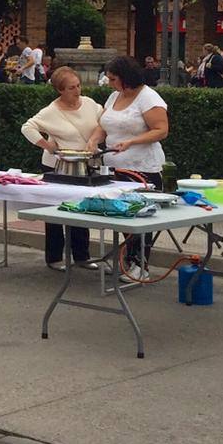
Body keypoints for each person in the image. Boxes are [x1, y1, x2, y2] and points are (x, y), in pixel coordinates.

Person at [91, 54, 171, 277]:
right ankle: (124, 259)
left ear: (126, 77)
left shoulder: (148, 97)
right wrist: (93, 140)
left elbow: (161, 130)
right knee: (120, 216)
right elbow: (103, 125)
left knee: (139, 216)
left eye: (113, 79)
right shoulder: (114, 97)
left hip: (142, 167)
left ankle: (139, 264)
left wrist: (132, 141)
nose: (110, 83)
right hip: (115, 167)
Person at [22, 66, 105, 269]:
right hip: (59, 165)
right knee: (56, 211)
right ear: (60, 90)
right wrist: (48, 146)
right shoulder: (50, 111)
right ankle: (54, 257)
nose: (77, 91)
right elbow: (27, 127)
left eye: (78, 86)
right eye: (71, 88)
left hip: (86, 164)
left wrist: (95, 141)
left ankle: (82, 255)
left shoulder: (90, 104)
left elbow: (103, 124)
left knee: (82, 207)